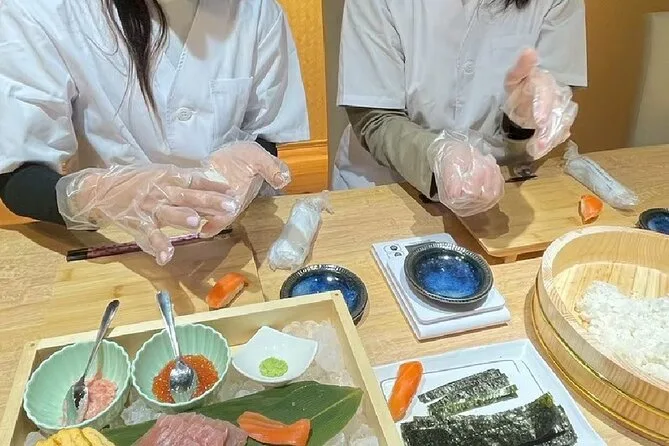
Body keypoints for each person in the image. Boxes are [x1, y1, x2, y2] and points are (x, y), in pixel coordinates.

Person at [0, 0, 309, 264]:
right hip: (116, 242)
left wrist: (250, 165)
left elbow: (264, 133)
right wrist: (99, 195)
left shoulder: (256, 10)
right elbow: (18, 175)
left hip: (234, 234)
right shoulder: (39, 11)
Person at [334, 0, 586, 217]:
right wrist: (436, 158)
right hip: (389, 186)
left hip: (506, 189)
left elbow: (547, 98)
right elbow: (375, 119)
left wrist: (522, 120)